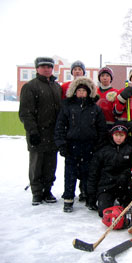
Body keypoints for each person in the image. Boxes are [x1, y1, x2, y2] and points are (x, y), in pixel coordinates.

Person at [54, 77, 107, 212]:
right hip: (72, 146)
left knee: (89, 174)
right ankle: (68, 199)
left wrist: (98, 145)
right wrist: (62, 144)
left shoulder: (95, 109)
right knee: (70, 174)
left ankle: (89, 197)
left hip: (90, 146)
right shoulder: (67, 108)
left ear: (89, 92)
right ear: (74, 92)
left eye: (84, 91)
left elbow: (101, 129)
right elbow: (60, 127)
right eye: (79, 90)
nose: (82, 93)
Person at [19, 57, 62, 206]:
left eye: (49, 67)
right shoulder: (30, 87)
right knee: (37, 164)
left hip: (53, 134)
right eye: (43, 66)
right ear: (37, 68)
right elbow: (25, 112)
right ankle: (37, 192)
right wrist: (33, 131)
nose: (47, 69)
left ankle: (47, 190)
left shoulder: (57, 87)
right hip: (38, 133)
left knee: (51, 164)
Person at [86, 124, 132, 217]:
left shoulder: (131, 150)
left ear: (126, 136)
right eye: (116, 135)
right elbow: (93, 173)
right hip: (107, 186)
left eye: (121, 135)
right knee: (104, 212)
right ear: (112, 135)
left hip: (124, 185)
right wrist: (91, 195)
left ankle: (126, 200)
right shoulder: (103, 150)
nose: (119, 138)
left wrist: (125, 176)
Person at [60, 60, 87, 201]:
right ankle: (69, 194)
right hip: (71, 128)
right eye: (75, 69)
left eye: (79, 69)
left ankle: (85, 191)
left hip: (85, 134)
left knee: (86, 167)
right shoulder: (65, 87)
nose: (77, 71)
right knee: (70, 169)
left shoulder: (89, 86)